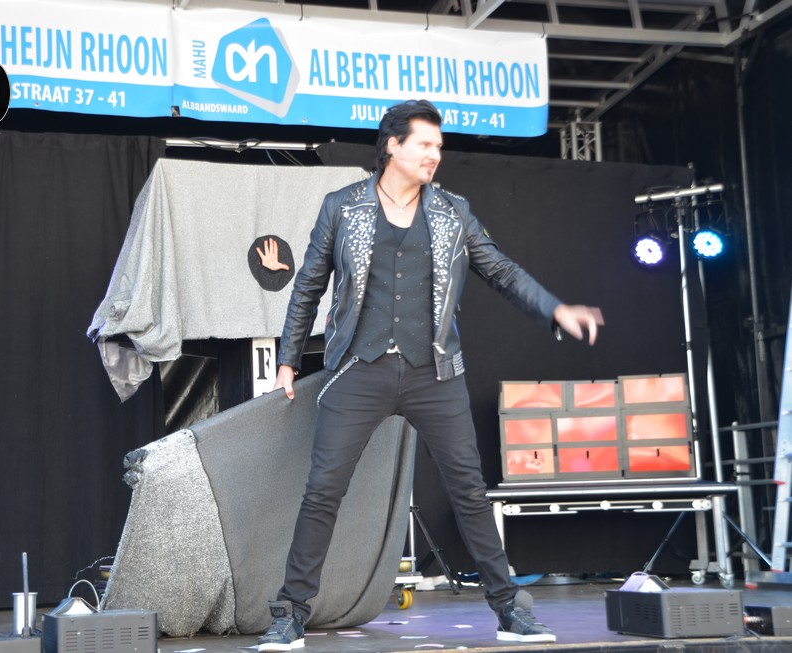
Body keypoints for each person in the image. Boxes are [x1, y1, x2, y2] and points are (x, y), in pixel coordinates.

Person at [257, 99, 604, 652]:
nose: (434, 154)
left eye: (438, 146)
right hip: (358, 369)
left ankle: (509, 611)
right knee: (322, 492)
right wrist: (288, 360)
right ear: (392, 146)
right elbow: (309, 285)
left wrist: (554, 309)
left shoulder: (453, 212)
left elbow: (501, 270)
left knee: (469, 491)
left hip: (434, 373)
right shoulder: (342, 206)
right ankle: (290, 615)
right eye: (424, 144)